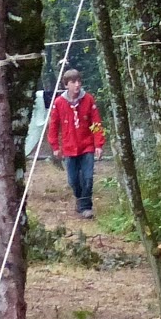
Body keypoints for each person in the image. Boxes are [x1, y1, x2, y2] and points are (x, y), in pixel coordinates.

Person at [44, 67, 105, 219]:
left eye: (78, 81)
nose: (77, 85)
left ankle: (86, 207)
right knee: (73, 180)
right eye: (73, 82)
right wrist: (55, 146)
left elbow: (96, 123)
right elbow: (53, 126)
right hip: (69, 147)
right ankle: (79, 199)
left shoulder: (89, 99)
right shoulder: (59, 103)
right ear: (66, 85)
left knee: (88, 178)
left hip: (87, 146)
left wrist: (98, 144)